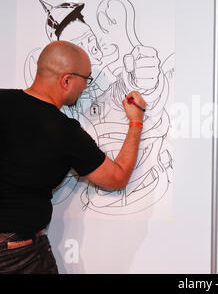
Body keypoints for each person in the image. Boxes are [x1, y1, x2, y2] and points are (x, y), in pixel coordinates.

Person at [0, 40, 146, 274]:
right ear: (66, 80)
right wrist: (136, 121)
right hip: (16, 255)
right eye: (86, 80)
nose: (86, 87)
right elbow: (117, 177)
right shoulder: (64, 132)